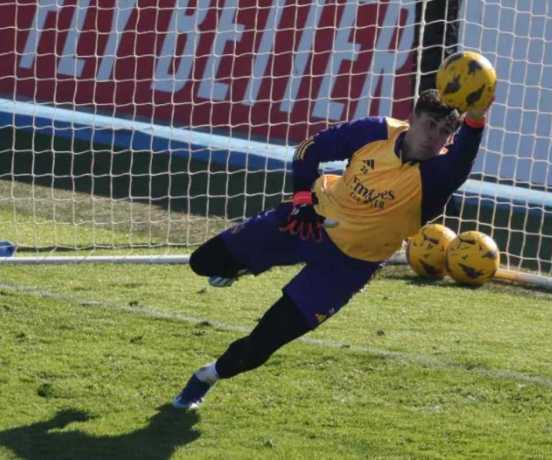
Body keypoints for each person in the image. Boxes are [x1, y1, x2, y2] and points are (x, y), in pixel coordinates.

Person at [172, 88, 492, 409]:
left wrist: (476, 115)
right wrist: (301, 199)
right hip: (308, 223)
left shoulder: (441, 174)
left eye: (444, 131)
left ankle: (205, 377)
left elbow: (467, 149)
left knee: (260, 345)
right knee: (204, 262)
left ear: (451, 138)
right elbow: (310, 148)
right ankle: (241, 265)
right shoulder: (376, 132)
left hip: (347, 268)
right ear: (413, 118)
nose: (433, 137)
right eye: (430, 124)